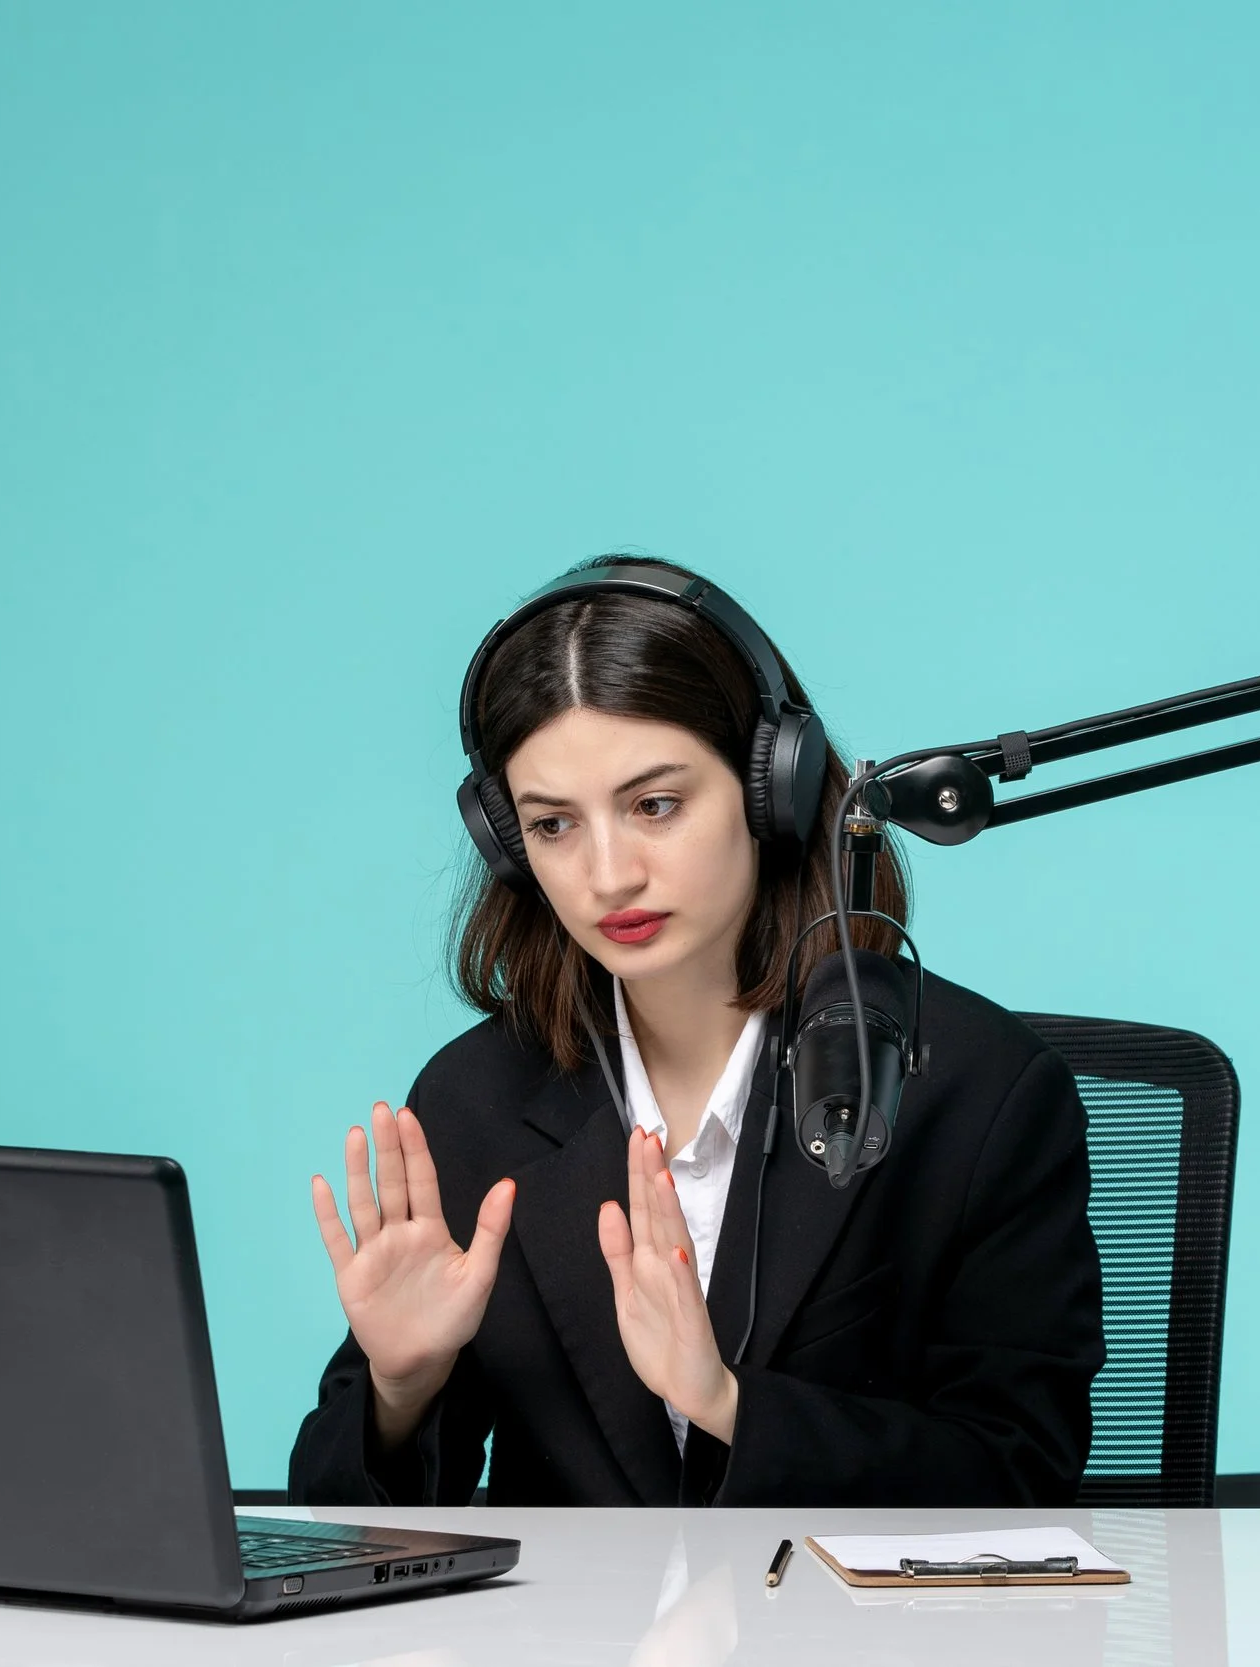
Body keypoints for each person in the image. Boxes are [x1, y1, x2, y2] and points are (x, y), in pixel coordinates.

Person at [287, 558, 1102, 1506]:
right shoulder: (479, 1101)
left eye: (655, 805)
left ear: (774, 794)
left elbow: (1018, 1475)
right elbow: (344, 1531)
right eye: (552, 825)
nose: (608, 875)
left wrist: (727, 1403)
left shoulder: (975, 1090)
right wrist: (400, 1383)